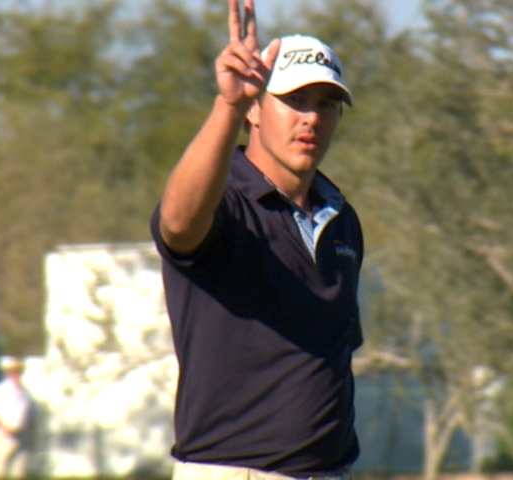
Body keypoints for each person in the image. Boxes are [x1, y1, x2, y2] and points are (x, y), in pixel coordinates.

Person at [150, 0, 363, 478]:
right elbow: (178, 223)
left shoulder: (342, 219)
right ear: (256, 111)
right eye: (294, 101)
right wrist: (227, 104)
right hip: (235, 471)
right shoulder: (226, 203)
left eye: (326, 103)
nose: (311, 118)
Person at [0, 356, 33, 479]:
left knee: (19, 471)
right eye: (13, 371)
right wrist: (4, 427)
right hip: (5, 434)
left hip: (22, 435)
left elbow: (28, 413)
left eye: (18, 371)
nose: (16, 374)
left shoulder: (24, 392)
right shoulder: (0, 390)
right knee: (1, 469)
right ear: (8, 373)